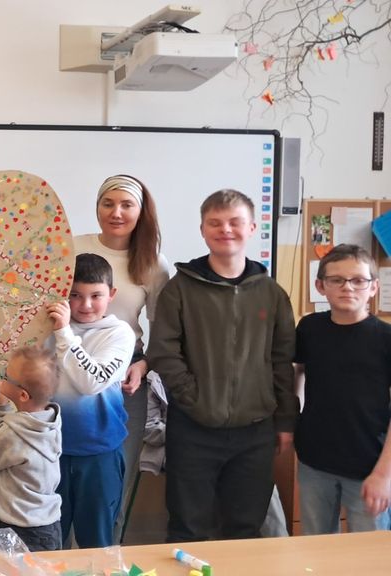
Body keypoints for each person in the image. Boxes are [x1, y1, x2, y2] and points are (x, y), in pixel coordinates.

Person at [148, 189, 296, 542]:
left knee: (245, 529)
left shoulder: (272, 294)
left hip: (255, 433)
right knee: (188, 528)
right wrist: (195, 400)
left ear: (252, 228)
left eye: (234, 222)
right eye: (215, 223)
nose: (225, 229)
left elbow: (282, 361)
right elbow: (164, 353)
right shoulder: (179, 289)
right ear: (202, 229)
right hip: (193, 430)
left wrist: (286, 421)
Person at [71, 174, 172, 543]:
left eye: (126, 204)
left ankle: (105, 559)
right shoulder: (73, 246)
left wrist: (143, 365)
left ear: (141, 211)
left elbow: (163, 331)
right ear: (97, 207)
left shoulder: (153, 263)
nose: (116, 212)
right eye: (108, 203)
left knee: (114, 483)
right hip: (67, 377)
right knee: (60, 483)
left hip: (124, 382)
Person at [294, 244, 391, 533]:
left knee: (367, 552)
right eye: (336, 280)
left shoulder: (386, 338)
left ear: (373, 287)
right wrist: (294, 416)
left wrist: (384, 475)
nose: (347, 287)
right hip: (314, 462)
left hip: (369, 466)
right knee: (316, 546)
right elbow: (298, 371)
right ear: (320, 286)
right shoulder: (309, 328)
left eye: (358, 280)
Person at [46, 253, 135, 548]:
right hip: (51, 452)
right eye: (75, 295)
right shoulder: (46, 330)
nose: (85, 305)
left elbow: (91, 382)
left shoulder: (119, 334)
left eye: (95, 296)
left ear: (111, 294)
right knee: (51, 541)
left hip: (99, 453)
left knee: (96, 544)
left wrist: (64, 334)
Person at [0, 346, 63, 552]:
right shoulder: (49, 421)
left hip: (20, 529)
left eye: (5, 376)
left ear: (23, 395)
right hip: (47, 524)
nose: (0, 379)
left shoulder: (13, 433)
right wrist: (4, 408)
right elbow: (13, 436)